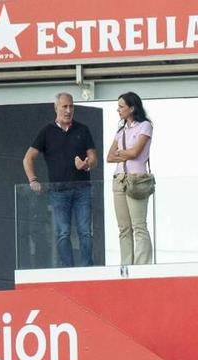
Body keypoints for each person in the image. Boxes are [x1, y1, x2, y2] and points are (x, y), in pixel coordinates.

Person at [22, 92, 98, 268]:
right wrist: (33, 180)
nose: (69, 110)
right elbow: (28, 158)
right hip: (59, 192)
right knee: (63, 233)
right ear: (56, 108)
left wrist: (87, 164)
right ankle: (68, 269)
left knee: (85, 232)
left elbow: (94, 158)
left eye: (71, 106)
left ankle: (87, 268)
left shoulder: (83, 129)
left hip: (82, 190)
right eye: (64, 106)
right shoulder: (47, 131)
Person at [106, 91, 155, 266]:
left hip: (137, 179)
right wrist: (124, 154)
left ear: (132, 108)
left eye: (121, 106)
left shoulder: (145, 126)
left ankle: (142, 265)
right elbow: (109, 157)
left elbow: (136, 152)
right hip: (119, 179)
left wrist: (122, 153)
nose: (118, 110)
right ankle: (126, 265)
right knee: (124, 228)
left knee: (138, 226)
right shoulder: (121, 131)